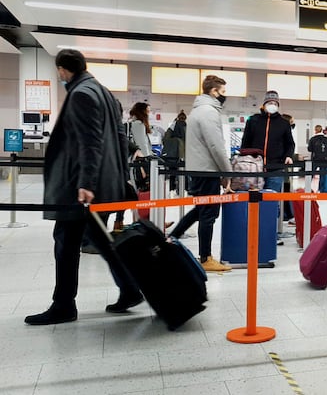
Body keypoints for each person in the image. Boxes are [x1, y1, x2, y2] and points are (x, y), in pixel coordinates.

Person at [25, 49, 142, 325]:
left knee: (65, 243)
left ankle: (64, 305)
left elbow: (90, 143)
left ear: (63, 69)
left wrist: (86, 184)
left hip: (84, 188)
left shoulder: (81, 94)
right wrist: (123, 177)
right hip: (106, 183)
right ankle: (129, 289)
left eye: (58, 71)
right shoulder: (105, 93)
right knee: (100, 239)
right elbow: (121, 140)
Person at [167, 75, 233, 273]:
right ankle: (206, 258)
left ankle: (171, 238)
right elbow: (216, 145)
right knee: (209, 215)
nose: (224, 96)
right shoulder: (208, 112)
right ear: (213, 91)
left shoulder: (197, 111)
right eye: (222, 92)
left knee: (200, 211)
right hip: (207, 171)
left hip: (199, 169)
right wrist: (227, 172)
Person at [241, 90, 295, 194]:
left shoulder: (283, 123)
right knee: (254, 201)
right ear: (264, 104)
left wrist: (288, 155)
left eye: (275, 104)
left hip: (276, 168)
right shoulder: (253, 121)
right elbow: (245, 142)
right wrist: (244, 158)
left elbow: (290, 143)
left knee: (273, 201)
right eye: (270, 103)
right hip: (254, 168)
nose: (272, 105)